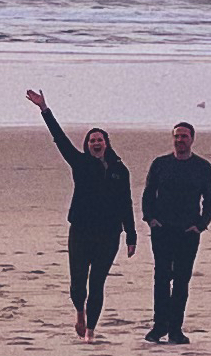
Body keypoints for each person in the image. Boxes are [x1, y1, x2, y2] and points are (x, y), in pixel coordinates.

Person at [25, 86, 134, 339]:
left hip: (109, 234)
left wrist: (131, 236)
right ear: (88, 145)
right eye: (92, 140)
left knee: (97, 283)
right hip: (81, 231)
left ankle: (91, 333)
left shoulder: (120, 170)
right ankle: (79, 314)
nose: (96, 142)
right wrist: (44, 108)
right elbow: (60, 139)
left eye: (100, 139)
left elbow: (125, 203)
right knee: (78, 283)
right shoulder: (80, 163)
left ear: (106, 143)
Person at [140, 119, 211, 343]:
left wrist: (200, 225)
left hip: (188, 232)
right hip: (162, 230)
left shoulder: (202, 167)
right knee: (161, 278)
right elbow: (148, 193)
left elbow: (210, 199)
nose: (180, 140)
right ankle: (159, 326)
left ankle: (175, 329)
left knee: (181, 281)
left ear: (192, 139)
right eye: (177, 136)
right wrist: (150, 218)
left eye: (184, 136)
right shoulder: (160, 164)